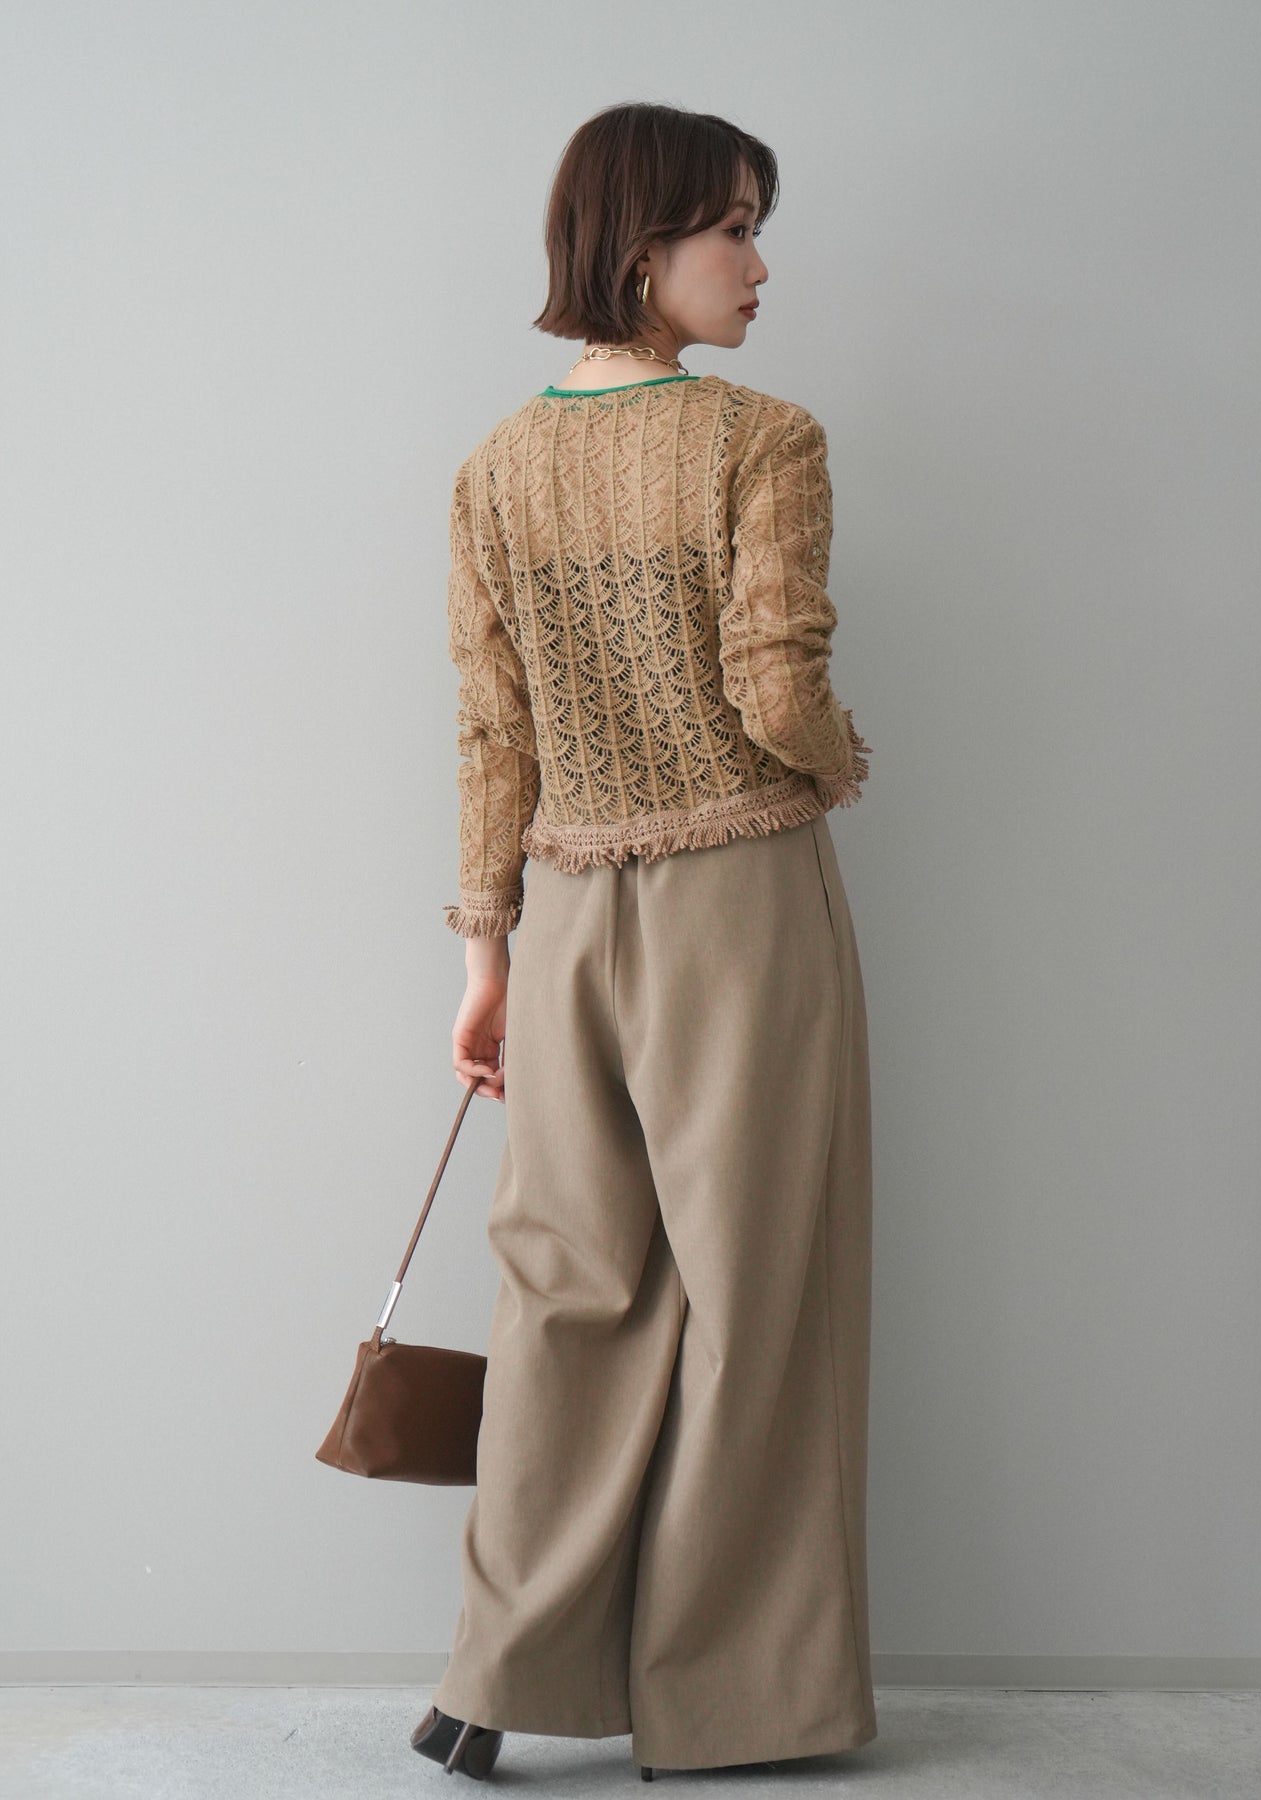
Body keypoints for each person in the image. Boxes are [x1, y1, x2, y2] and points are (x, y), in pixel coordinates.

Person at [410, 100, 876, 1783]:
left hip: (567, 922)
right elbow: (774, 684)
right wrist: (840, 762)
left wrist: (487, 962)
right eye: (732, 227)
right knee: (759, 1292)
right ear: (642, 245)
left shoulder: (492, 469)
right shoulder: (763, 438)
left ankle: (489, 1681)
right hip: (738, 901)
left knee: (568, 1291)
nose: (757, 264)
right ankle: (723, 1705)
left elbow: (493, 738)